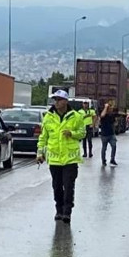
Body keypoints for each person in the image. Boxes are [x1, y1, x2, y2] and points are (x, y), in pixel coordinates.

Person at [37, 90, 86, 224]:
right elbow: (43, 137)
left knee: (69, 186)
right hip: (54, 159)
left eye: (59, 100)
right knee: (57, 186)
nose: (56, 102)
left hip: (70, 159)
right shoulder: (48, 117)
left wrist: (72, 133)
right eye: (55, 100)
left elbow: (82, 133)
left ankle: (67, 212)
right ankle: (59, 209)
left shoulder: (76, 116)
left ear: (65, 101)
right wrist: (40, 153)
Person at [99, 102, 119, 167]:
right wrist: (105, 107)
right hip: (104, 134)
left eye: (112, 109)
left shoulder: (112, 116)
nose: (111, 110)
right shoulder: (103, 115)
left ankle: (112, 159)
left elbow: (115, 123)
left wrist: (116, 122)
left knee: (114, 146)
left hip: (111, 134)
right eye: (110, 109)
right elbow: (102, 115)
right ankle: (103, 161)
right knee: (104, 148)